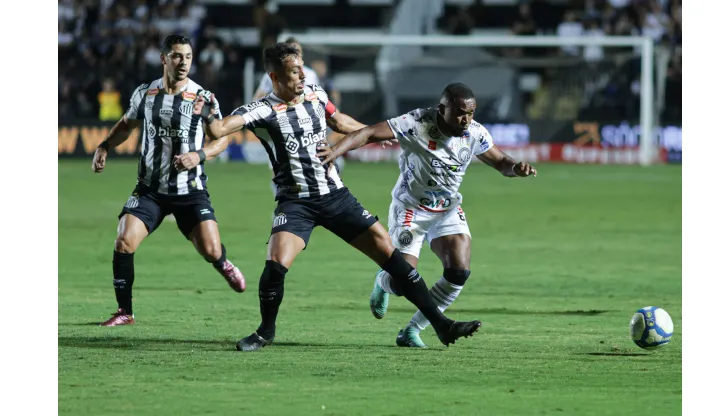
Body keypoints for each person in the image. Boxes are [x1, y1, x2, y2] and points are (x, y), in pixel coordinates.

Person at [194, 42, 482, 351]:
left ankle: (442, 326)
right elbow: (219, 130)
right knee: (276, 262)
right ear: (274, 77)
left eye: (302, 69)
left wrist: (371, 134)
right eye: (294, 73)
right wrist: (208, 110)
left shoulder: (316, 95)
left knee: (390, 255)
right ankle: (265, 332)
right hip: (296, 201)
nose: (302, 76)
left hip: (335, 195)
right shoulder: (261, 109)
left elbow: (340, 121)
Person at [319, 83, 537, 348]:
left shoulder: (475, 132)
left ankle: (412, 330)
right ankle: (383, 280)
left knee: (459, 271)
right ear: (442, 109)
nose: (466, 119)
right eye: (460, 113)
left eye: (470, 113)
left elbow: (501, 162)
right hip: (411, 207)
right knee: (401, 283)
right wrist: (335, 151)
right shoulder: (417, 122)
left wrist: (517, 168)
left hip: (446, 209)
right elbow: (367, 133)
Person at [91, 35, 246, 327]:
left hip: (190, 191)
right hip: (151, 189)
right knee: (124, 241)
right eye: (177, 56)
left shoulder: (203, 98)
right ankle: (125, 312)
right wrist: (104, 146)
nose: (183, 62)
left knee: (211, 249)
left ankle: (222, 262)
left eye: (187, 56)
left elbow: (222, 140)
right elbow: (127, 125)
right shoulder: (145, 94)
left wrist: (198, 155)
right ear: (164, 59)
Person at [251, 37, 345, 195]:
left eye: (298, 52)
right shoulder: (274, 75)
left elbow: (315, 101)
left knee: (325, 163)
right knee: (281, 169)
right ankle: (283, 203)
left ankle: (323, 193)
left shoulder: (309, 74)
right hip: (283, 127)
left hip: (308, 127)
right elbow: (258, 97)